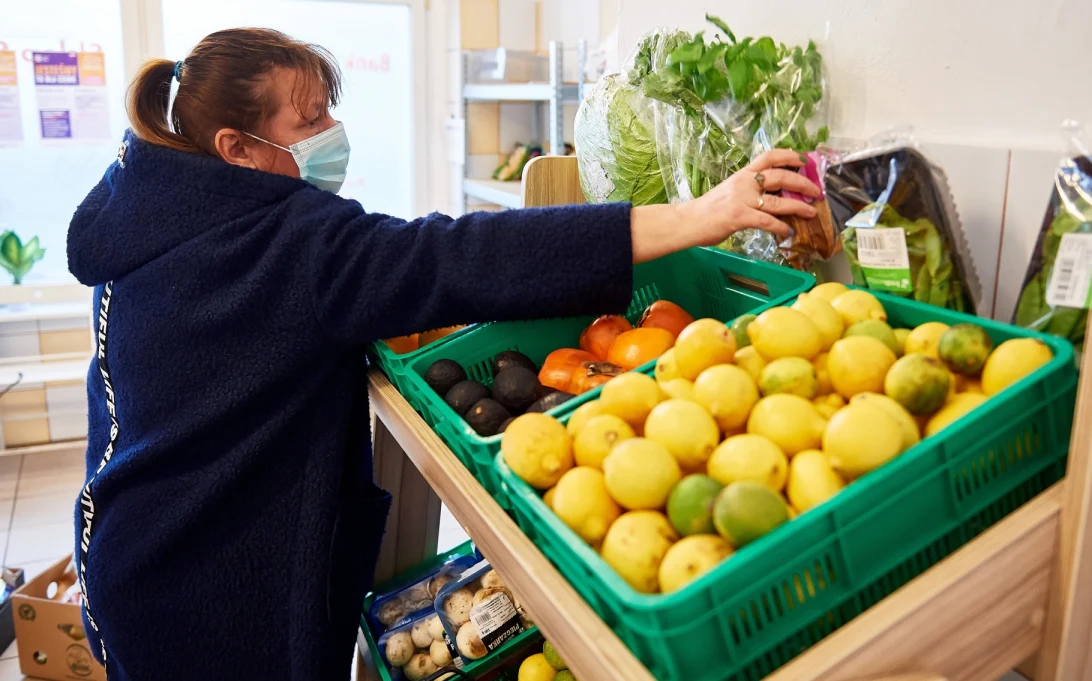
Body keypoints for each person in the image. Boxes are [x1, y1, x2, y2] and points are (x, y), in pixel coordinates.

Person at [68, 27, 819, 681]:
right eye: (310, 119)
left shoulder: (146, 221)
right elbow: (458, 258)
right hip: (217, 600)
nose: (332, 130)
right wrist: (698, 215)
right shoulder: (284, 244)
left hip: (136, 562)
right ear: (238, 149)